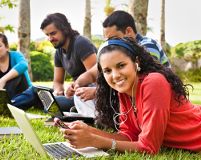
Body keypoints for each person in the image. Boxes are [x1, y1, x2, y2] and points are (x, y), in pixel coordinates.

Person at [59, 37, 201, 154]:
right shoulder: (125, 91)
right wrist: (89, 131)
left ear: (136, 62)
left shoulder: (154, 82)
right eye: (107, 71)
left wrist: (94, 141)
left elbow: (148, 147)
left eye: (121, 66)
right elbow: (130, 136)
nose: (115, 76)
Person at [65, 10, 171, 116]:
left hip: (153, 100)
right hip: (124, 97)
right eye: (107, 40)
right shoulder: (113, 51)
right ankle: (97, 115)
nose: (110, 43)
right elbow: (92, 73)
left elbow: (140, 82)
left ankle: (102, 116)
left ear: (128, 31)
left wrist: (98, 92)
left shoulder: (148, 45)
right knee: (83, 92)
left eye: (113, 38)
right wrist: (76, 85)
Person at [40, 13, 97, 112]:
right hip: (74, 92)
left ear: (64, 29)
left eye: (53, 33)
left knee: (50, 106)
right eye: (47, 35)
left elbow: (96, 79)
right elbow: (57, 82)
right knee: (36, 91)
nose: (50, 38)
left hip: (87, 94)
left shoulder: (81, 44)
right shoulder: (59, 51)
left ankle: (76, 109)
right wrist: (58, 91)